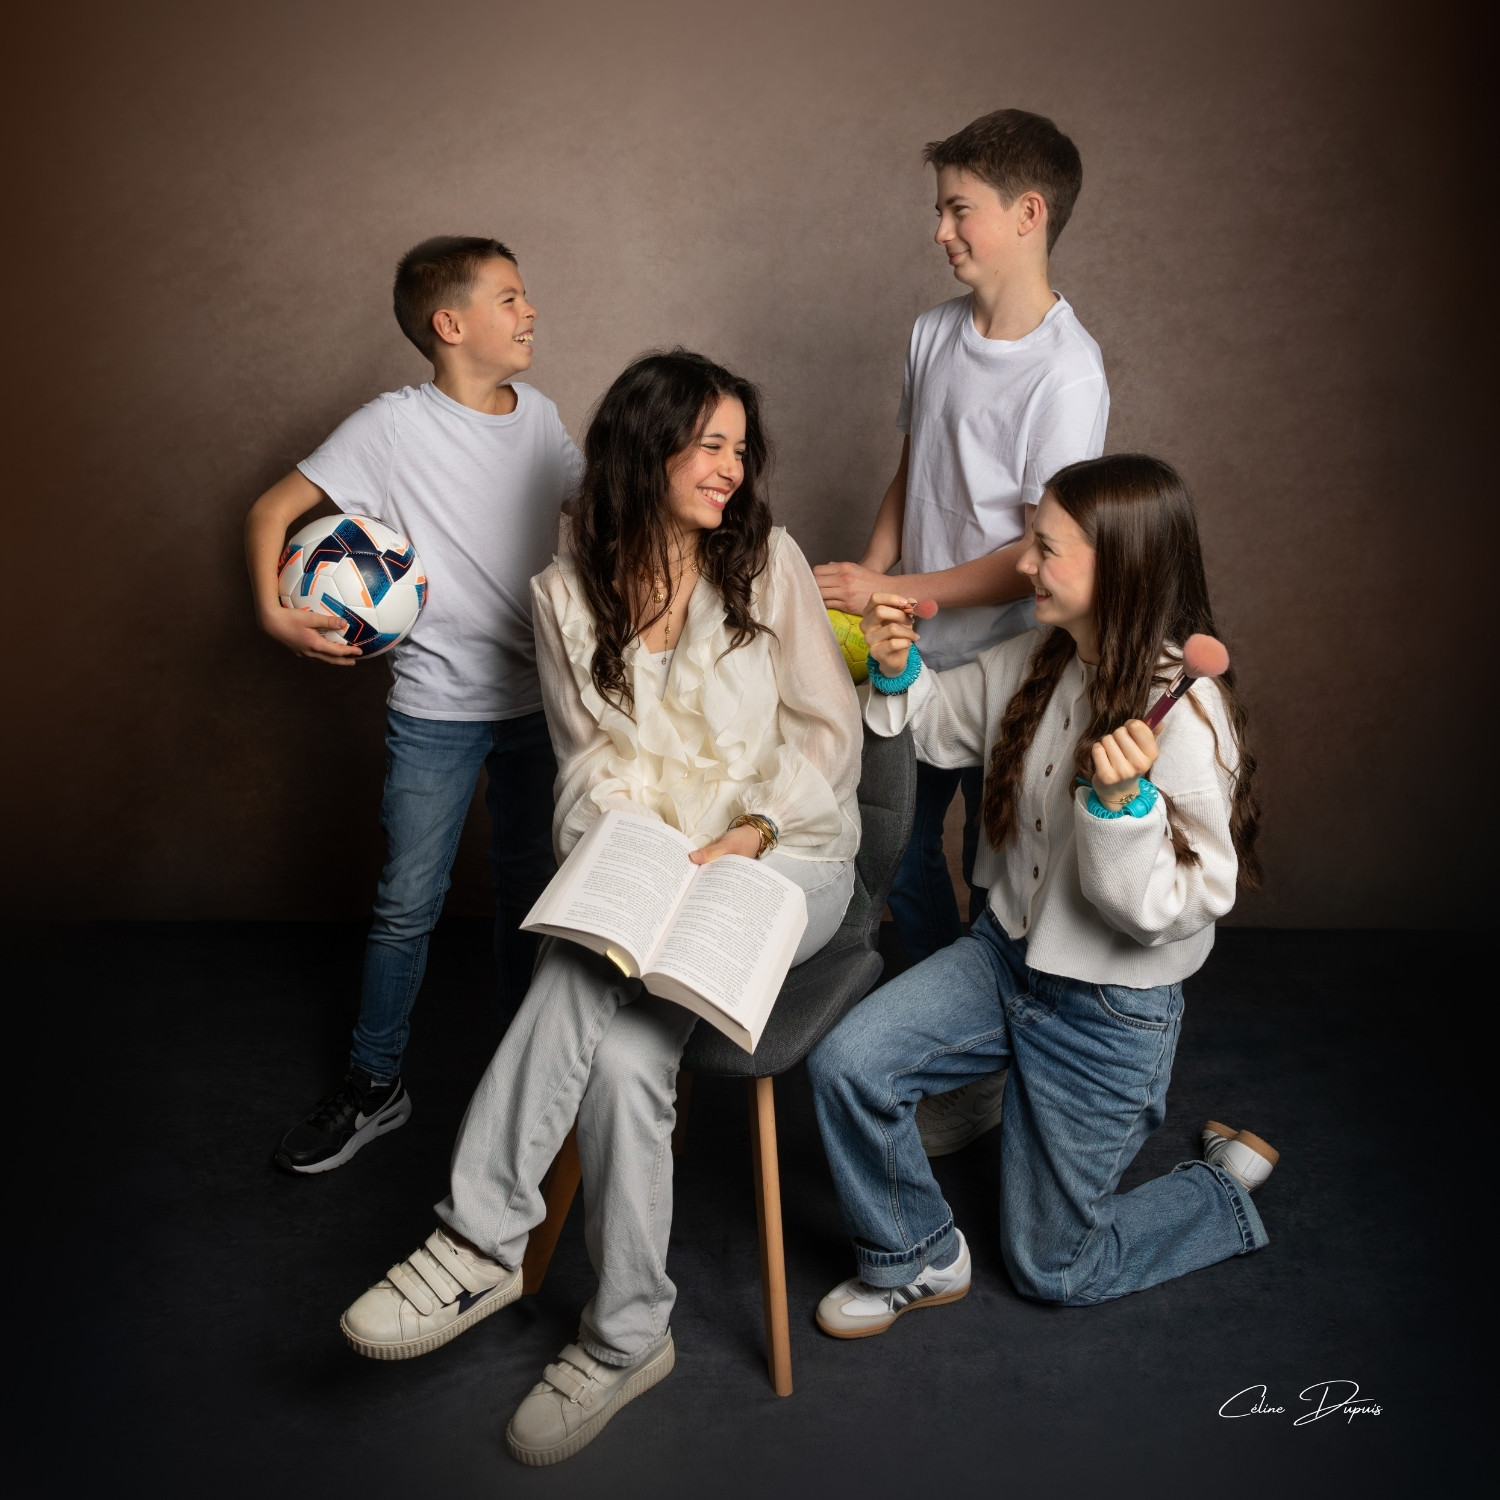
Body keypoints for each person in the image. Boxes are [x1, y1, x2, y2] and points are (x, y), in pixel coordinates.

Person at [338, 351, 862, 1465]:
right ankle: (631, 1338)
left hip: (788, 857)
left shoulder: (768, 563)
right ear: (647, 445)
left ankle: (477, 1238)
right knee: (622, 1057)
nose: (731, 467)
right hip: (657, 860)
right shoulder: (564, 595)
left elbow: (829, 733)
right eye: (708, 444)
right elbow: (586, 773)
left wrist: (750, 835)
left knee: (579, 977)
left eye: (738, 447)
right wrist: (656, 859)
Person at [807, 453, 1275, 1338]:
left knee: (1055, 1268)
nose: (1022, 563)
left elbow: (1176, 908)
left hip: (1108, 1013)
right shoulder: (1040, 654)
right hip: (1005, 961)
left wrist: (1125, 813)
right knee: (847, 1066)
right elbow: (943, 723)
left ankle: (1219, 1191)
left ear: (1119, 567)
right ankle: (915, 1255)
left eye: (1045, 546)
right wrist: (900, 671)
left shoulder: (1189, 715)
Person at [244, 236, 583, 1174]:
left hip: (540, 711)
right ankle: (374, 1083)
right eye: (511, 297)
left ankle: (529, 1084)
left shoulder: (543, 417)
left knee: (533, 900)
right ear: (451, 324)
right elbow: (269, 512)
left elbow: (598, 517)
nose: (531, 311)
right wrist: (278, 620)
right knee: (406, 905)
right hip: (435, 710)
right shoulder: (389, 429)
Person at [815, 109, 1109, 1155]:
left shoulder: (1067, 375)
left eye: (959, 210)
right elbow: (915, 472)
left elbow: (1034, 554)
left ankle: (981, 1075)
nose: (941, 230)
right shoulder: (933, 333)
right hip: (908, 651)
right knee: (891, 860)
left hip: (1010, 667)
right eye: (939, 208)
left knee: (1000, 879)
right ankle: (932, 1044)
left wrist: (907, 588)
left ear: (1028, 215)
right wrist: (872, 583)